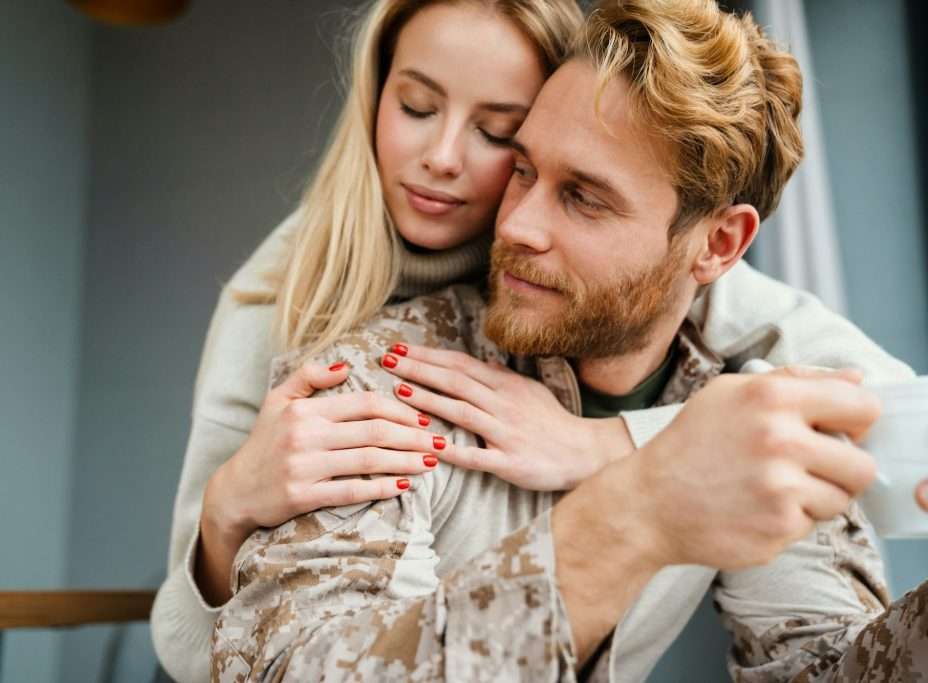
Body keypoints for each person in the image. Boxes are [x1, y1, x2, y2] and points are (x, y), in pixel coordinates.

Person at [150, 1, 917, 681]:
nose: (512, 226)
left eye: (583, 197)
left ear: (718, 246)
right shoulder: (370, 369)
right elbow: (279, 662)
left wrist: (617, 446)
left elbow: (826, 661)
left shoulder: (747, 389)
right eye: (521, 169)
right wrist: (639, 505)